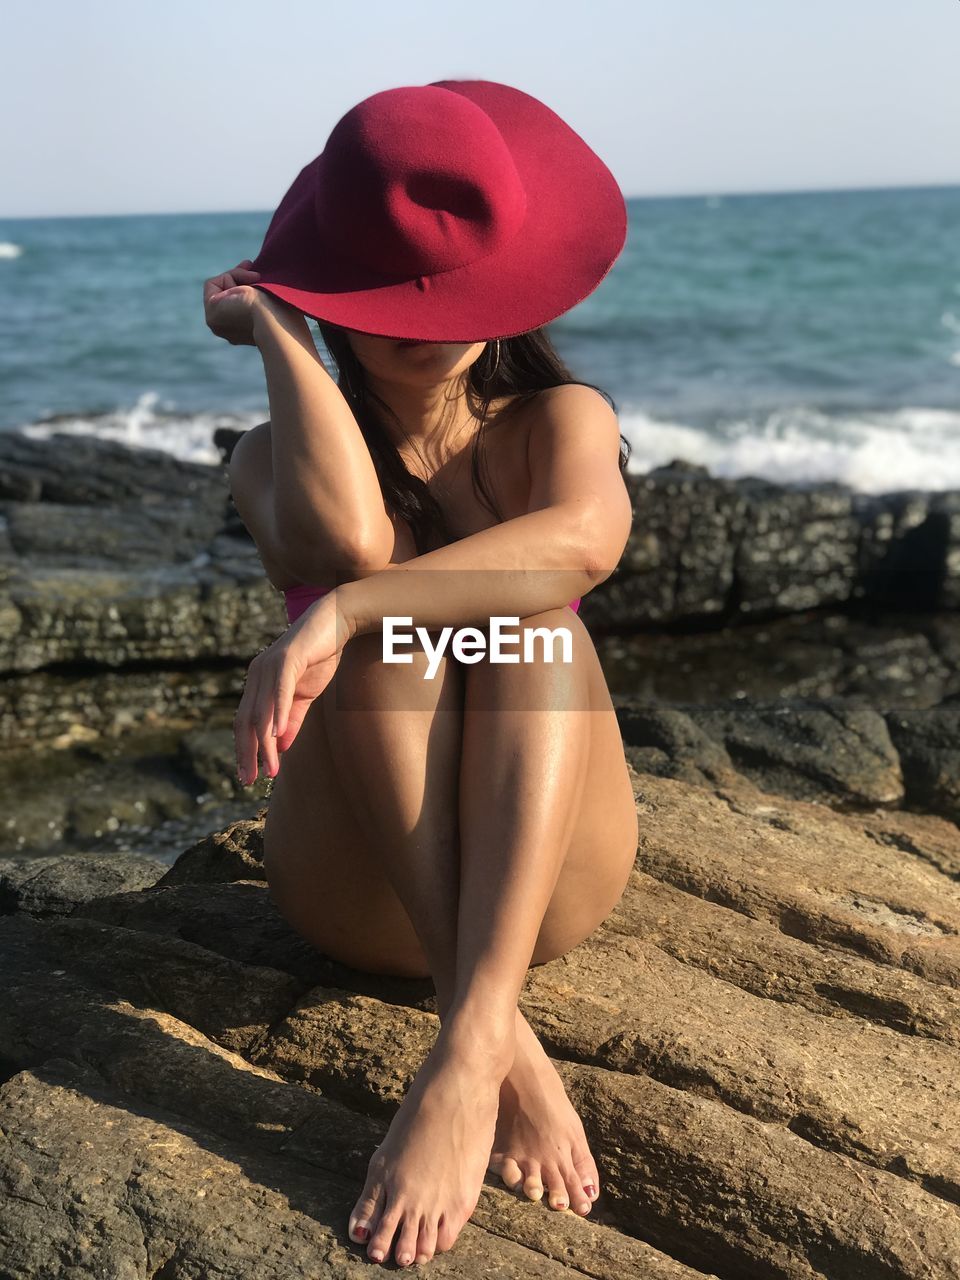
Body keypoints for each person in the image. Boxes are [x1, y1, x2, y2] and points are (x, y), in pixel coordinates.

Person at [203, 78, 638, 1270]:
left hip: (549, 874)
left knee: (536, 620)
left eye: (447, 283)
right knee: (387, 639)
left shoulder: (559, 421)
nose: (426, 315)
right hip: (360, 886)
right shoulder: (265, 459)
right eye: (387, 285)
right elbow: (344, 538)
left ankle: (470, 1037)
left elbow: (586, 544)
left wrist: (337, 613)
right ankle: (493, 1037)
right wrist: (279, 330)